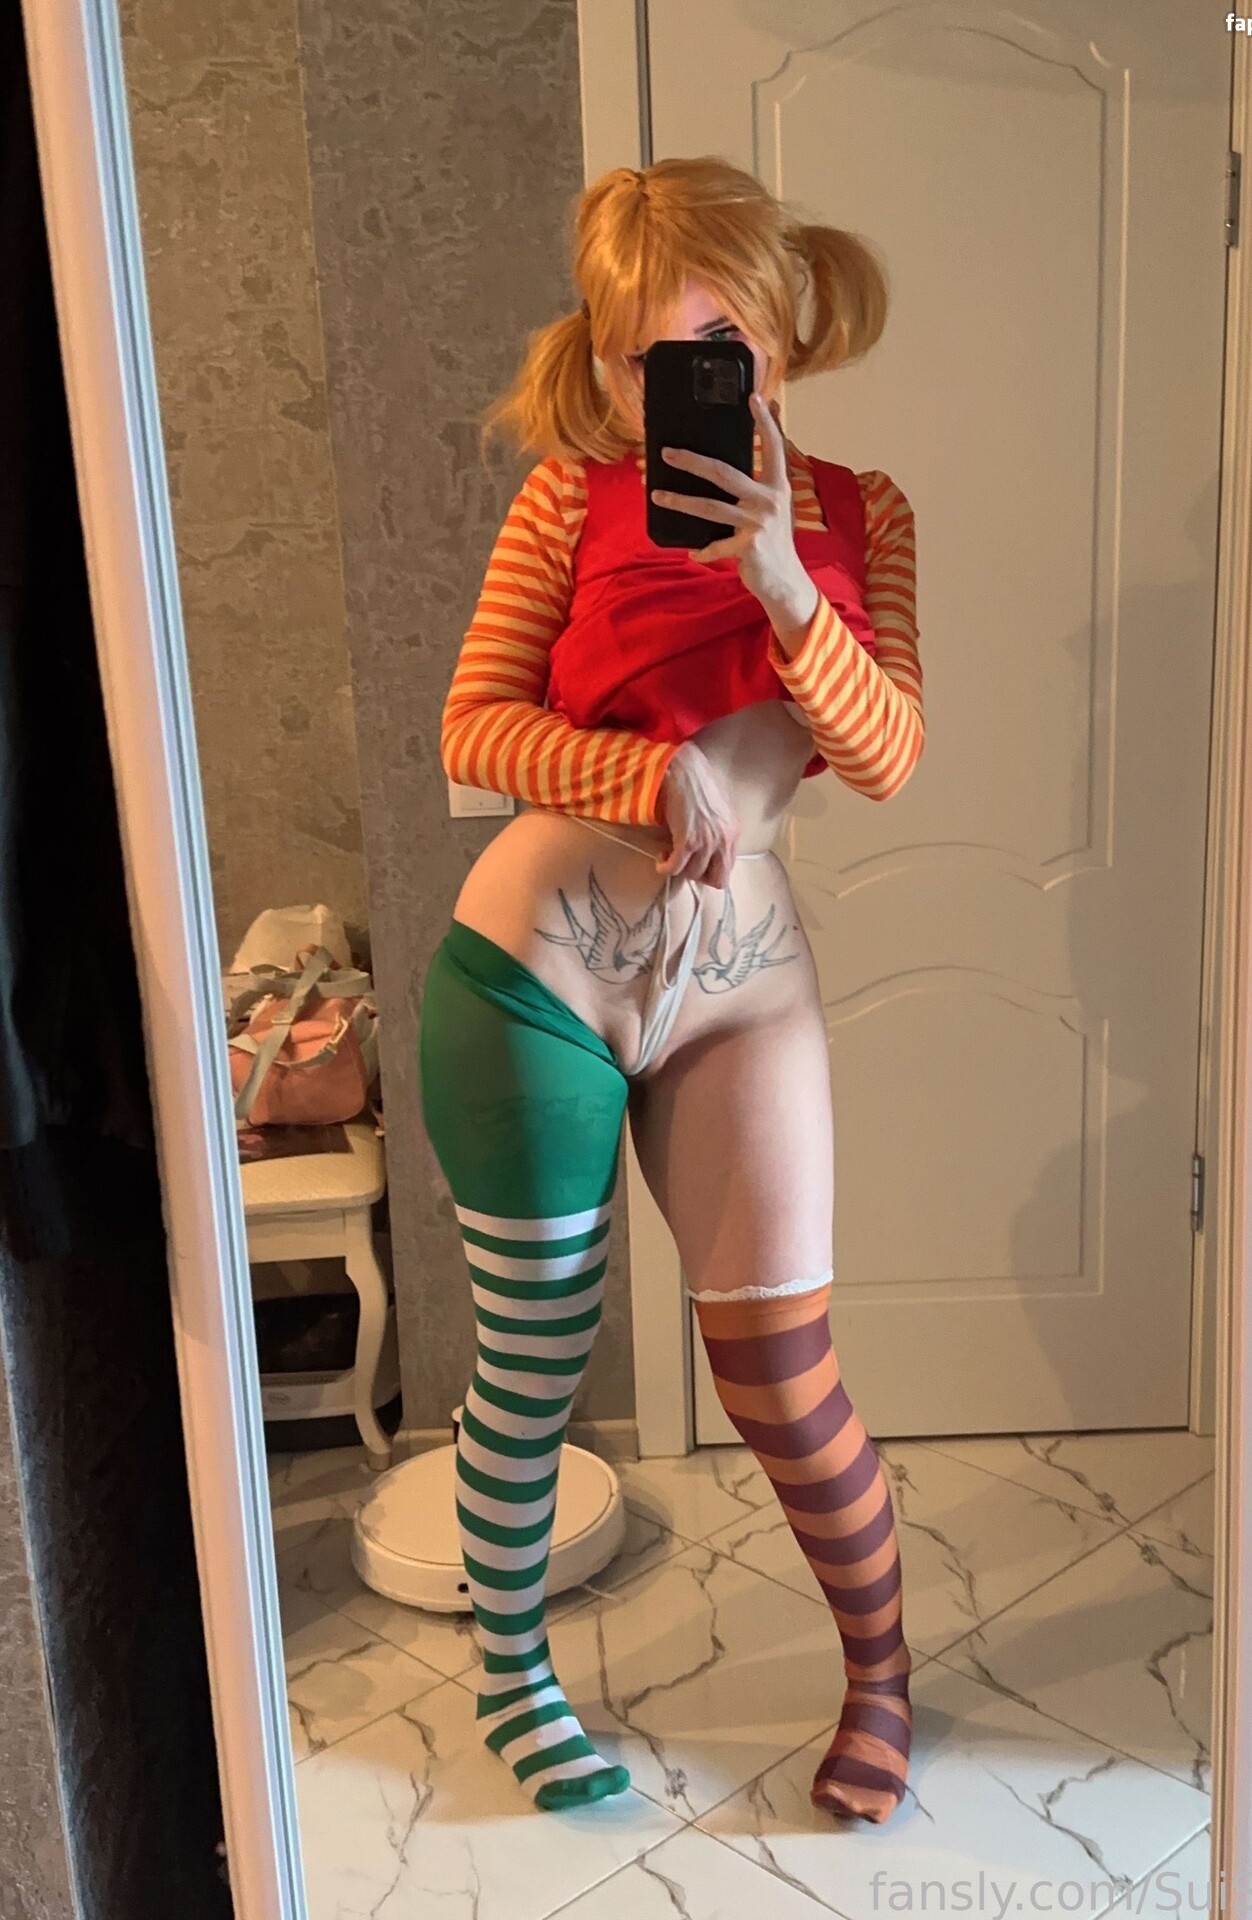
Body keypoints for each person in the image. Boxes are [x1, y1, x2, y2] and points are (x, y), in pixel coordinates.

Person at [417, 156, 924, 1824]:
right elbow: (473, 726)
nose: (680, 382)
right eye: (647, 355)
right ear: (608, 358)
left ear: (781, 335)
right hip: (536, 977)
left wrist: (781, 577)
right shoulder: (566, 500)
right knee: (535, 1363)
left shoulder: (864, 512)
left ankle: (881, 1678)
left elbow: (886, 754)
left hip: (740, 987)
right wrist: (642, 774)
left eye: (719, 347)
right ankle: (512, 1675)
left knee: (783, 1371)